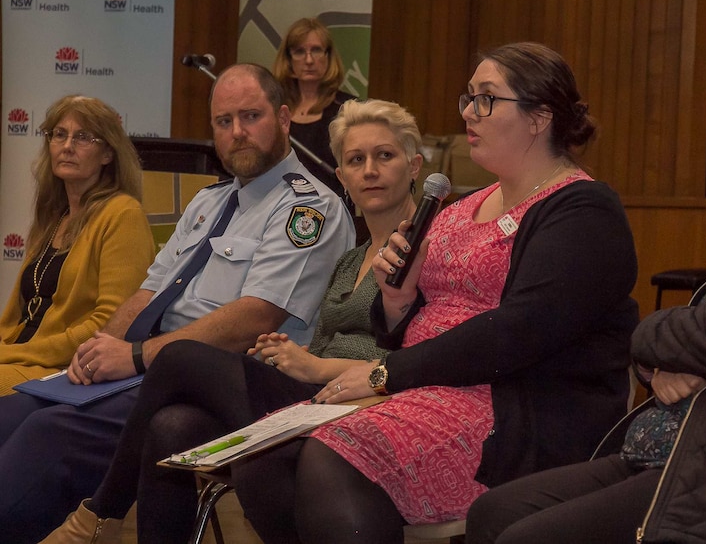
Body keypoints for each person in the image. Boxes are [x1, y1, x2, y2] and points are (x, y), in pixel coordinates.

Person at [231, 41, 640, 544]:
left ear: (539, 117)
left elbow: (518, 333)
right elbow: (413, 319)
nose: (469, 111)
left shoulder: (582, 212)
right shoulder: (466, 204)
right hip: (426, 388)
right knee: (261, 461)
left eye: (487, 99)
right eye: (468, 97)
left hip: (510, 406)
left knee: (333, 456)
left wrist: (385, 373)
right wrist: (397, 300)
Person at [465, 52, 706, 544]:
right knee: (493, 512)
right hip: (682, 448)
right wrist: (665, 363)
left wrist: (656, 338)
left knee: (526, 537)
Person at [39, 98, 423, 543]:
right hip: (314, 396)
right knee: (172, 426)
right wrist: (288, 354)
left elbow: (416, 356)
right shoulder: (352, 259)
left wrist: (314, 367)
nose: (369, 171)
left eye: (385, 156)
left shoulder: (430, 247)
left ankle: (99, 515)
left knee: (180, 357)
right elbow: (320, 345)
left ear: (414, 167)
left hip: (370, 404)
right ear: (341, 176)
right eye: (356, 160)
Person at [0, 63, 354, 544]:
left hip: (222, 384)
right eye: (223, 122)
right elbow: (149, 291)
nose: (237, 133)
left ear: (285, 118)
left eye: (250, 116)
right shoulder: (208, 202)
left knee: (50, 432)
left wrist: (134, 355)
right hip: (144, 368)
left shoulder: (307, 209)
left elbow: (254, 316)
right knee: (14, 412)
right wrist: (100, 348)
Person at [0, 95, 154, 395]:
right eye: (60, 134)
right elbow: (21, 317)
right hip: (19, 358)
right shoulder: (55, 216)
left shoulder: (123, 214)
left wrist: (14, 354)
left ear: (108, 153)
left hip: (62, 370)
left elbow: (109, 324)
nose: (67, 146)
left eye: (83, 137)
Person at [273, 17, 356, 197]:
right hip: (279, 204)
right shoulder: (274, 108)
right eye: (299, 51)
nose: (309, 60)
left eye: (316, 50)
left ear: (328, 56)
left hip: (332, 204)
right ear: (288, 58)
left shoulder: (349, 109)